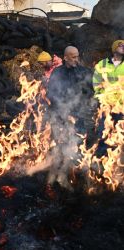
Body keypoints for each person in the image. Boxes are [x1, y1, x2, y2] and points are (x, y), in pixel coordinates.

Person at [46, 46, 95, 188]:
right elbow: (51, 93)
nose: (76, 59)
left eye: (77, 56)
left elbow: (91, 90)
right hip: (59, 115)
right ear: (65, 57)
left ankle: (76, 173)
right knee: (60, 144)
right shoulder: (57, 72)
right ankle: (59, 175)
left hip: (77, 115)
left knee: (77, 143)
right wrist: (62, 109)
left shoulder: (84, 72)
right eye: (73, 57)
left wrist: (85, 102)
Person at [92, 39, 124, 157]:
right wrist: (101, 97)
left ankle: (118, 156)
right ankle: (102, 155)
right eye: (121, 45)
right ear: (114, 48)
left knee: (120, 132)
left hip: (122, 106)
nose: (123, 47)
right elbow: (96, 82)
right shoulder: (102, 64)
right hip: (106, 105)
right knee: (103, 130)